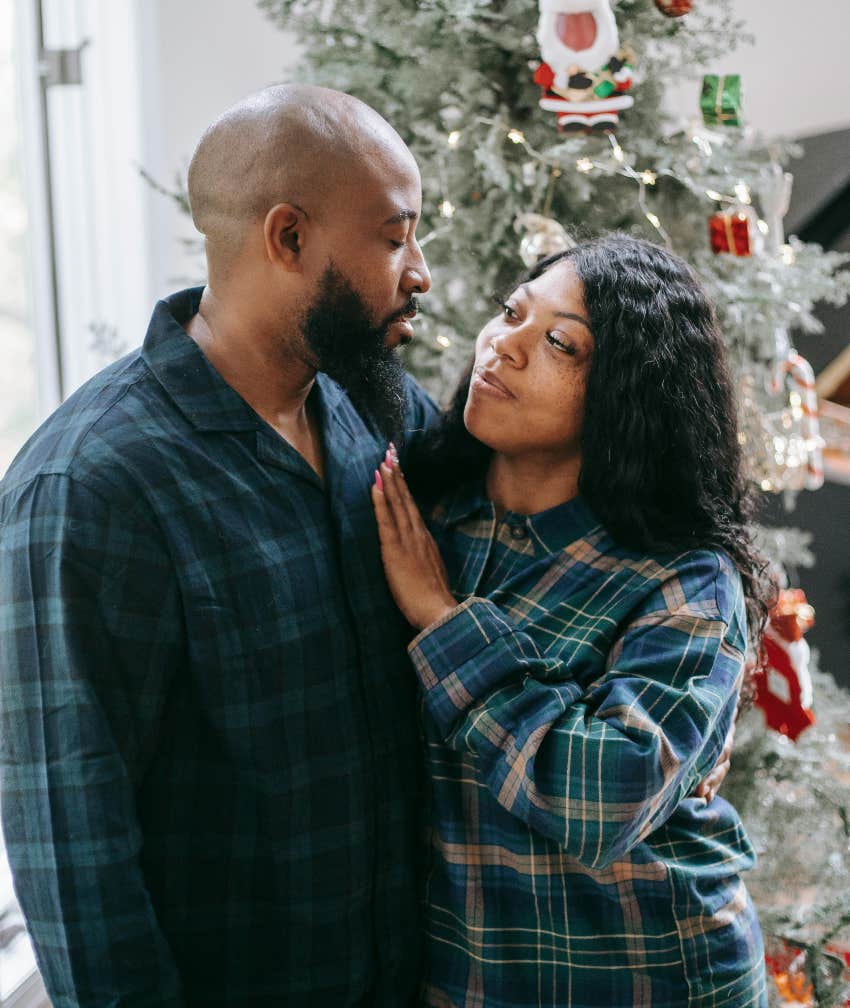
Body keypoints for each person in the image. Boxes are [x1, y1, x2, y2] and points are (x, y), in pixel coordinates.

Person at [0, 84, 437, 1006]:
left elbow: (527, 488)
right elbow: (77, 859)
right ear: (288, 238)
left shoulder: (365, 404)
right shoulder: (92, 487)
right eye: (395, 238)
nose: (420, 272)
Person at [372, 235, 771, 1008]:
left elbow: (608, 800)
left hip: (653, 977)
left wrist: (442, 621)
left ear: (628, 390)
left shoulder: (682, 578)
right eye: (511, 313)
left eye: (560, 342)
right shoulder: (427, 519)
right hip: (467, 981)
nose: (504, 346)